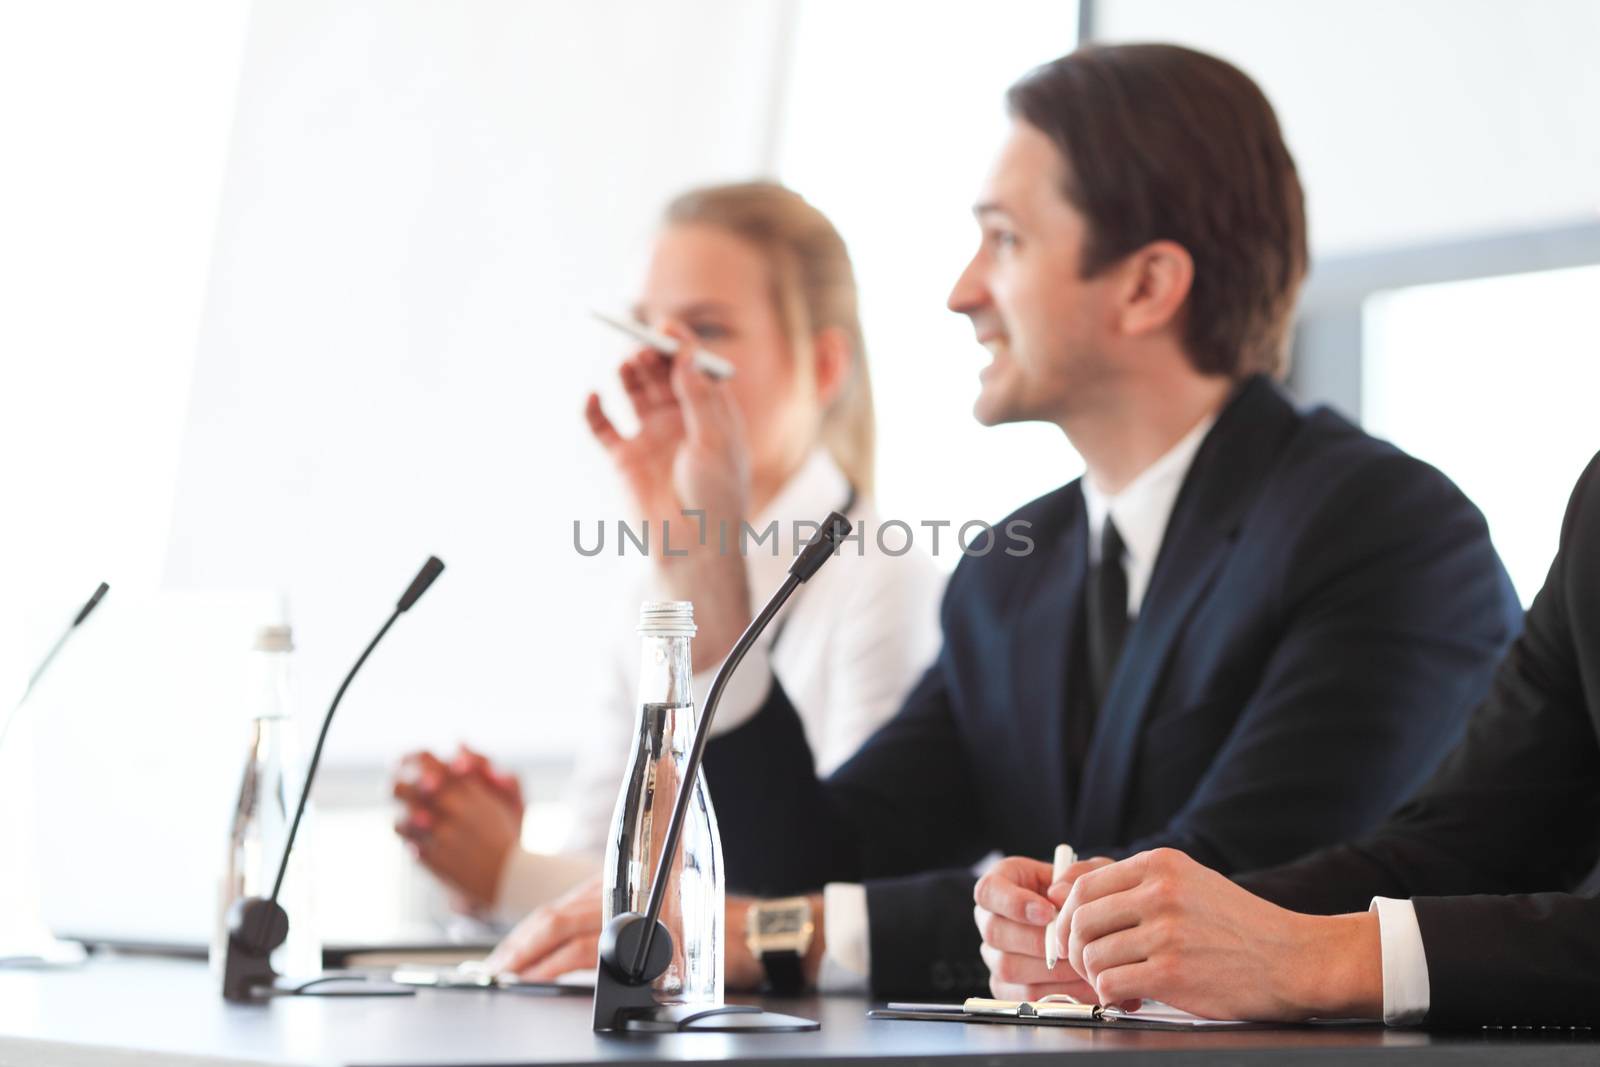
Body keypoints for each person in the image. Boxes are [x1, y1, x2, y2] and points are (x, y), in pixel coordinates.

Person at [484, 44, 1522, 997]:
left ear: (1147, 284)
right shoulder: (1013, 574)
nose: (958, 292)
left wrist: (789, 933)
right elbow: (809, 857)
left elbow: (1218, 896)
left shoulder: (1385, 534)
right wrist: (705, 555)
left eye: (1004, 239)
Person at [392, 182, 944, 928]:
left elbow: (824, 901)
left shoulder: (888, 581)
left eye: (706, 331)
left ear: (821, 367)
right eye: (645, 328)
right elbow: (607, 862)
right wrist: (487, 866)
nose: (660, 363)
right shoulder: (649, 585)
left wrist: (511, 874)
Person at [986, 450, 1600, 1029]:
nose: (964, 325)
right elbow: (1470, 846)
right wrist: (1149, 932)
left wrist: (1322, 957)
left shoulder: (1373, 514)